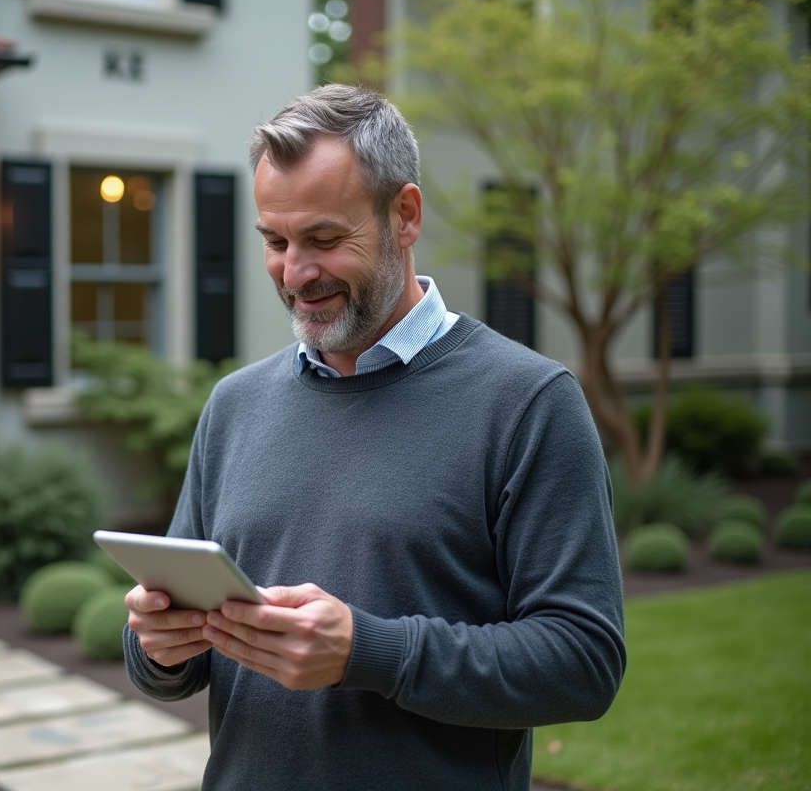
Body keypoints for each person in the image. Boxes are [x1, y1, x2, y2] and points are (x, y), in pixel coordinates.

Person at [124, 84, 626, 790]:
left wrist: (370, 652)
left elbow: (584, 663)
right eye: (275, 241)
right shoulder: (235, 405)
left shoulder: (528, 403)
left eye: (325, 239)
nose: (295, 272)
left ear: (405, 215)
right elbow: (180, 659)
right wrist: (162, 644)